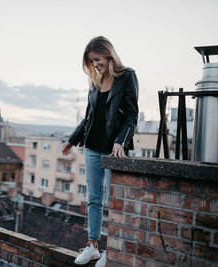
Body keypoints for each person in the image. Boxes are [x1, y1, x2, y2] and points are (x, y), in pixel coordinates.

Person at [62, 36, 138, 265]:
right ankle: (93, 246)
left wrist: (120, 142)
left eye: (97, 59)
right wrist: (72, 140)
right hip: (93, 148)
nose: (95, 64)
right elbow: (89, 118)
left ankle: (111, 251)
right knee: (94, 199)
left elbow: (132, 115)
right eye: (91, 62)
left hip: (113, 151)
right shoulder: (95, 82)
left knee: (112, 200)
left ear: (108, 54)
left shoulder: (127, 76)